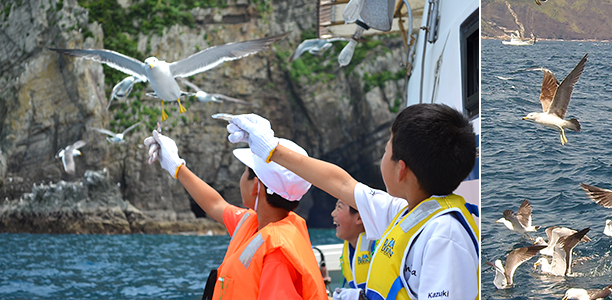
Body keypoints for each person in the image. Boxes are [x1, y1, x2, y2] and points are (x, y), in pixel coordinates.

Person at [225, 103, 479, 300]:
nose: (383, 156)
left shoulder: (444, 236)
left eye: (386, 150)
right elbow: (342, 184)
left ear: (400, 170)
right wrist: (270, 149)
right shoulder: (406, 212)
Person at [144, 132, 328, 300]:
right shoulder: (255, 224)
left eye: (245, 171)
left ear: (256, 186)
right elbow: (215, 204)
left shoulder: (277, 255)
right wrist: (176, 166)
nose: (241, 177)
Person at [331, 199, 371, 291]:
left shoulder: (378, 248)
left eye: (339, 207)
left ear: (359, 218)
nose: (333, 213)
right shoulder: (349, 247)